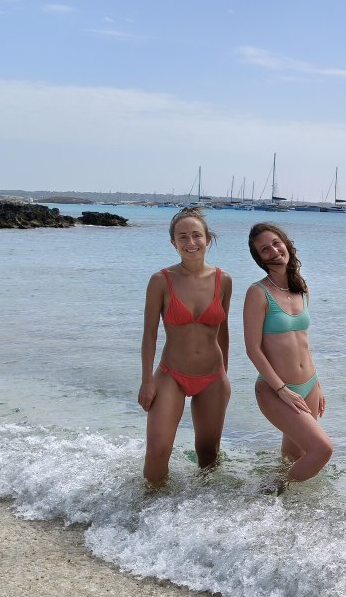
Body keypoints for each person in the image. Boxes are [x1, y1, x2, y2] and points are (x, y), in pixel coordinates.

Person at [139, 206, 233, 485]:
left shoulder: (223, 280)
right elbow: (150, 334)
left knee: (208, 454)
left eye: (196, 235)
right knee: (157, 452)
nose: (190, 243)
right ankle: (147, 509)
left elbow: (223, 330)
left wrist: (225, 373)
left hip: (213, 377)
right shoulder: (160, 281)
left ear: (208, 239)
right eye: (183, 237)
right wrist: (147, 380)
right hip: (171, 375)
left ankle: (200, 513)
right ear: (173, 243)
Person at [243, 222, 333, 485]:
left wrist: (318, 384)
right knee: (322, 450)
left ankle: (286, 519)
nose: (273, 251)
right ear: (259, 258)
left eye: (275, 243)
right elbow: (253, 349)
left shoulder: (301, 287)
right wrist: (281, 389)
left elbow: (303, 342)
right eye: (264, 249)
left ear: (286, 244)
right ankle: (273, 495)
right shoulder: (258, 293)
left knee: (294, 456)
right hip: (276, 390)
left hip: (310, 386)